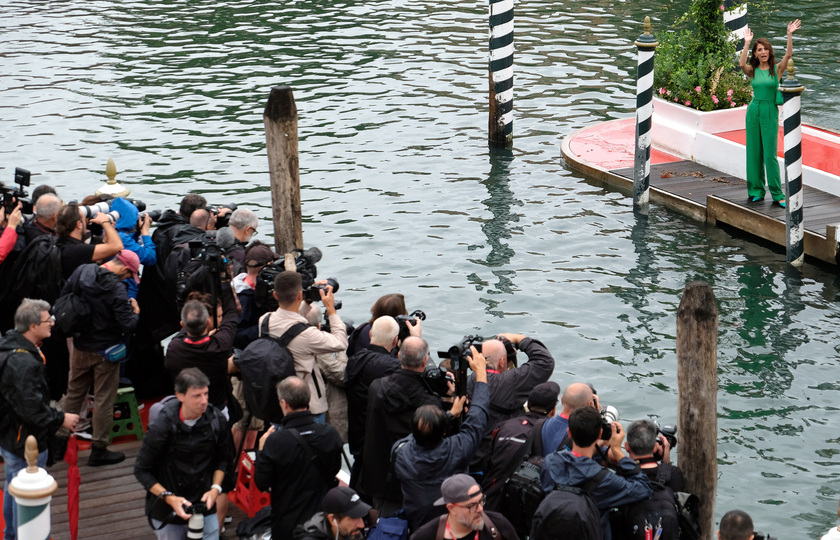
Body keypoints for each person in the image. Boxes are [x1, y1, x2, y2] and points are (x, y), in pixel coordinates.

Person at [1, 299, 80, 540]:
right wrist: (61, 418)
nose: (53, 324)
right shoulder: (23, 361)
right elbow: (32, 409)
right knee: (26, 490)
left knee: (13, 487)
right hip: (24, 438)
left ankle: (13, 533)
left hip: (9, 433)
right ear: (33, 325)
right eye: (48, 320)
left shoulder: (9, 346)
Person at [393, 345, 489, 530]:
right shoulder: (458, 449)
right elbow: (478, 415)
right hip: (452, 522)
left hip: (418, 522)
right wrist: (481, 374)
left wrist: (450, 415)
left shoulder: (400, 452)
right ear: (444, 431)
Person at [60, 250, 140, 466]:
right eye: (128, 275)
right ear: (124, 268)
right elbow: (128, 325)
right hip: (106, 350)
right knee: (105, 398)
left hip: (80, 346)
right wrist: (136, 312)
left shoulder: (82, 271)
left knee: (74, 393)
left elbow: (65, 298)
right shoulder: (117, 290)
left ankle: (58, 441)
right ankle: (99, 449)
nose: (127, 279)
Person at [359, 336, 454, 514]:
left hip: (379, 476)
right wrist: (448, 402)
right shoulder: (429, 402)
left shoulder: (376, 388)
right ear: (426, 360)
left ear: (399, 357)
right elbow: (439, 432)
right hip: (413, 478)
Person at [134, 368, 230, 540]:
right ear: (180, 396)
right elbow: (142, 470)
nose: (204, 401)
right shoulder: (163, 426)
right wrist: (169, 498)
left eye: (206, 394)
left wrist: (215, 489)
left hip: (203, 504)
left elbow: (223, 459)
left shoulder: (216, 419)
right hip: (168, 508)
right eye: (196, 396)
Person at [538, 407, 653, 540]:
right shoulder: (604, 479)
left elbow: (577, 462)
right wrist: (618, 452)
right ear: (600, 434)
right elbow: (644, 488)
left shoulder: (550, 462)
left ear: (569, 432)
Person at [254, 376, 343, 539]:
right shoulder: (329, 434)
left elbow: (261, 482)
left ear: (284, 403)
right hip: (321, 520)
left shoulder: (275, 441)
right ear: (308, 399)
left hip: (287, 521)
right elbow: (334, 469)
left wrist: (261, 449)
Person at [260, 270, 348, 422]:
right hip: (308, 406)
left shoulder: (264, 321)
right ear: (299, 295)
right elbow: (340, 342)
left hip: (278, 402)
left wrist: (307, 299)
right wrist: (331, 309)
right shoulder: (307, 334)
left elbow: (288, 318)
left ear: (275, 295)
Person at [466, 333, 555, 466]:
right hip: (495, 459)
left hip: (469, 455)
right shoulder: (510, 384)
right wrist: (520, 339)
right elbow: (544, 362)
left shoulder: (467, 381)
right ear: (502, 361)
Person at [740, 20, 802, 208]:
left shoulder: (777, 69)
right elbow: (742, 63)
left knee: (770, 154)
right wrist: (747, 43)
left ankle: (777, 193)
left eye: (765, 49)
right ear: (756, 54)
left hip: (769, 111)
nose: (763, 52)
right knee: (753, 153)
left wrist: (789, 34)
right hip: (753, 110)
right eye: (759, 50)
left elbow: (789, 54)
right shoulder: (753, 70)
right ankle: (756, 191)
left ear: (769, 51)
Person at [482, 381, 560, 511]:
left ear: (528, 405)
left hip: (492, 495)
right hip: (523, 501)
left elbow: (488, 461)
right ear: (553, 411)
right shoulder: (551, 434)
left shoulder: (503, 426)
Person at [344, 315, 403, 486]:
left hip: (358, 434)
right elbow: (413, 376)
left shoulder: (355, 360)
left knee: (358, 475)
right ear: (395, 340)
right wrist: (415, 339)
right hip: (378, 440)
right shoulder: (391, 367)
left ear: (370, 335)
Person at [612, 419, 684, 540]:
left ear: (627, 447)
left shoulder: (621, 477)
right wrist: (666, 463)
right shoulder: (674, 474)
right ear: (656, 447)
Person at [410, 474, 520, 540]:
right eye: (471, 506)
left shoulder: (498, 525)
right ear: (451, 508)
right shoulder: (427, 535)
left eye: (481, 501)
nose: (480, 509)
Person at [55, 203, 124, 279]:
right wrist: (105, 222)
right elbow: (117, 247)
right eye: (84, 220)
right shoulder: (77, 250)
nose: (87, 224)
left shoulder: (57, 242)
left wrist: (105, 241)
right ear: (79, 224)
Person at [232, 241, 278, 349]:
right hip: (248, 352)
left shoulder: (239, 286)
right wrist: (268, 325)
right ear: (267, 267)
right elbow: (236, 336)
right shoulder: (243, 298)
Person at [294, 486, 372, 540]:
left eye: (360, 516)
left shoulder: (352, 532)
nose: (361, 524)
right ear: (332, 520)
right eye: (353, 517)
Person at [541, 382, 597, 456]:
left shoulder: (541, 424)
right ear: (589, 405)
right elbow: (611, 458)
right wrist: (596, 415)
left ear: (562, 400)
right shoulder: (584, 434)